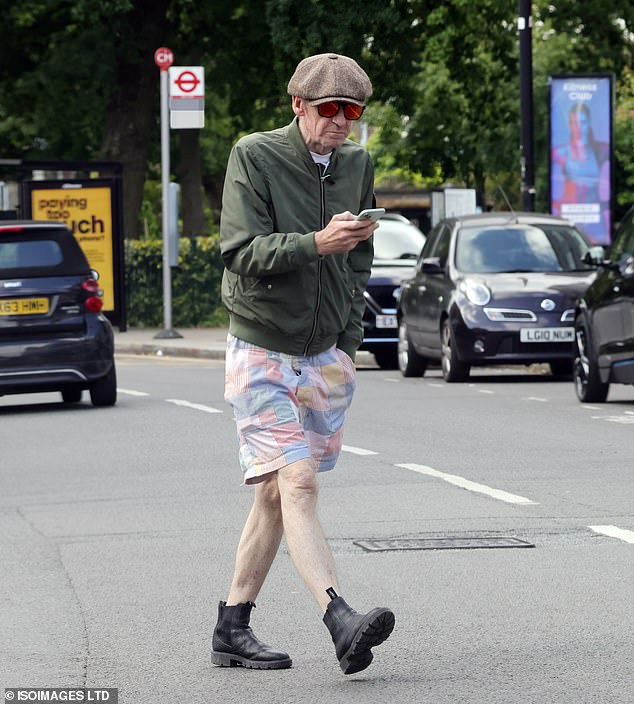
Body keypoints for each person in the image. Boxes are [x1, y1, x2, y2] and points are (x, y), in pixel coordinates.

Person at [212, 52, 395, 675]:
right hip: (261, 346)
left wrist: (349, 338)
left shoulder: (357, 165)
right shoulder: (255, 155)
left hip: (326, 355)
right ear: (299, 106)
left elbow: (360, 261)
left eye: (352, 111)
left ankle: (230, 627)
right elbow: (239, 251)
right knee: (298, 482)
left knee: (271, 495)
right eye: (329, 109)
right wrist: (316, 243)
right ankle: (339, 616)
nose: (342, 121)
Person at [551, 101, 611, 243]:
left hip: (595, 220)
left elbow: (604, 194)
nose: (579, 128)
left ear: (589, 123)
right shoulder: (560, 153)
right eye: (575, 123)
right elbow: (557, 195)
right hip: (569, 220)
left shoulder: (601, 151)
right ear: (570, 125)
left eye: (582, 123)